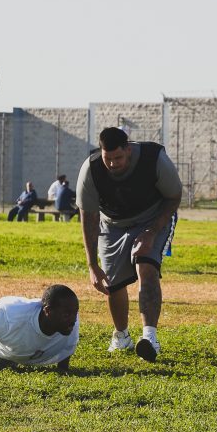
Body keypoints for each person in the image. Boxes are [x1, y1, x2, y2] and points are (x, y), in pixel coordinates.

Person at [76, 126, 182, 362]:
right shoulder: (91, 170)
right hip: (112, 223)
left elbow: (174, 196)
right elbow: (89, 218)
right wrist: (92, 264)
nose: (113, 164)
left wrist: (151, 232)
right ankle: (122, 335)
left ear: (128, 150)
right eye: (108, 159)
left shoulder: (154, 160)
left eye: (118, 158)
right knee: (113, 284)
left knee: (146, 266)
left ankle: (149, 338)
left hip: (152, 218)